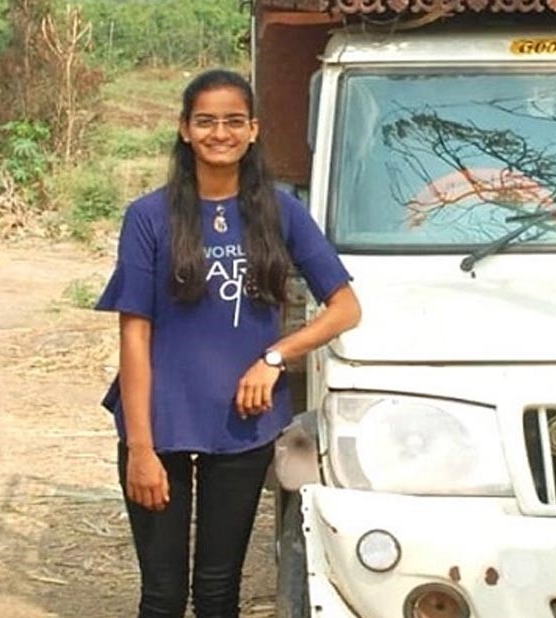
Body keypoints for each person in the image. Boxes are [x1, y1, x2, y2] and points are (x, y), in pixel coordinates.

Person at [95, 68, 360, 618]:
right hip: (161, 421)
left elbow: (345, 308)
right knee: (162, 597)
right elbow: (134, 333)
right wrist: (140, 449)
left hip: (242, 425)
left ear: (254, 129)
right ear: (184, 129)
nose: (220, 133)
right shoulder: (148, 216)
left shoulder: (281, 212)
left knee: (219, 593)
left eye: (234, 121)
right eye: (206, 121)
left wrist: (274, 358)